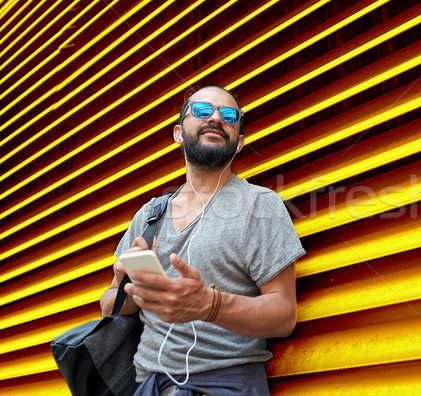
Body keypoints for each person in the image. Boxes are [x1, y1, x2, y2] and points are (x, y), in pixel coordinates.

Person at [99, 85, 306, 395]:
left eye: (229, 115)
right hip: (147, 386)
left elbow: (283, 315)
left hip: (225, 384)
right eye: (201, 111)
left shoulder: (261, 205)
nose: (215, 118)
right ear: (178, 133)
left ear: (239, 144)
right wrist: (127, 287)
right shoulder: (149, 215)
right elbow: (108, 307)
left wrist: (211, 305)